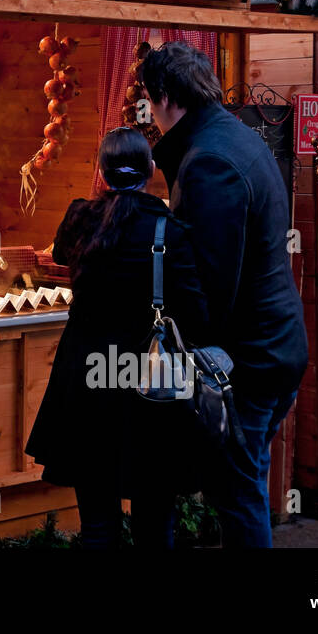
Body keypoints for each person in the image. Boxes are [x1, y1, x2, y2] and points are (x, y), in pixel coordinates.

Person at [139, 41, 308, 547]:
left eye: (149, 100)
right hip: (276, 344)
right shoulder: (236, 137)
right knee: (244, 483)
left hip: (249, 358)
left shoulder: (208, 161)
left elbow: (209, 285)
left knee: (238, 492)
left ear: (165, 96)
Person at [25, 128, 209, 548]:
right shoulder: (169, 231)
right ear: (150, 171)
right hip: (152, 384)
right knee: (154, 520)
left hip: (88, 377)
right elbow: (196, 315)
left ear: (102, 173)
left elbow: (58, 255)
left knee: (97, 523)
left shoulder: (78, 219)